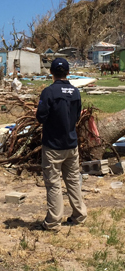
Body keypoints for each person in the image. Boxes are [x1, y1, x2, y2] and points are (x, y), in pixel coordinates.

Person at [36, 57, 87, 231]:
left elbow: (40, 117)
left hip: (53, 145)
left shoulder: (48, 92)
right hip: (71, 144)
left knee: (53, 183)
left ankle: (53, 221)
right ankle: (79, 215)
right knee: (73, 181)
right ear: (68, 72)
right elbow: (78, 116)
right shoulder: (75, 92)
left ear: (51, 73)